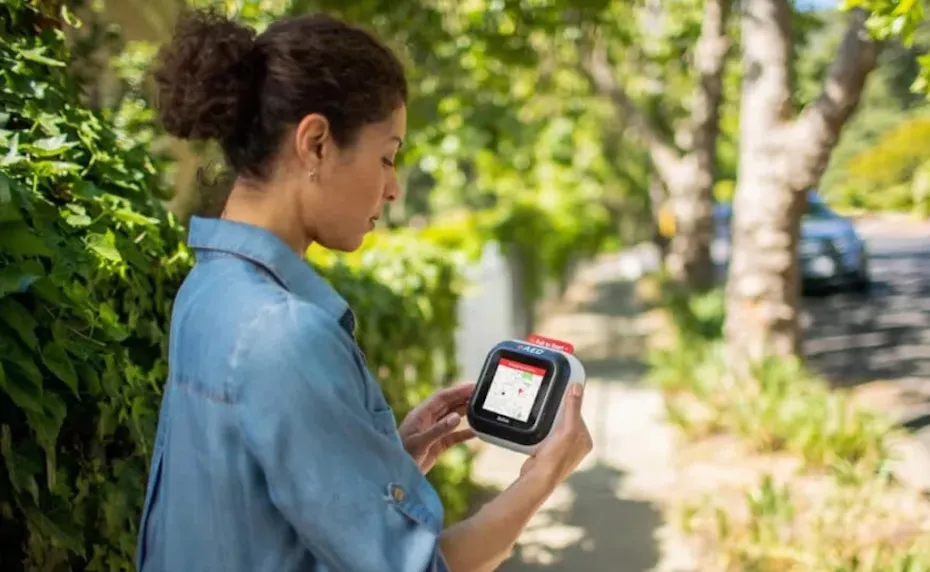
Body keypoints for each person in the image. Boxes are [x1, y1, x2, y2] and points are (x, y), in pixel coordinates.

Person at [135, 8, 593, 572]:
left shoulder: (208, 290)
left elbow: (245, 510)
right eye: (387, 156)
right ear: (317, 143)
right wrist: (544, 474)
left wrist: (380, 460)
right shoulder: (284, 334)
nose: (394, 187)